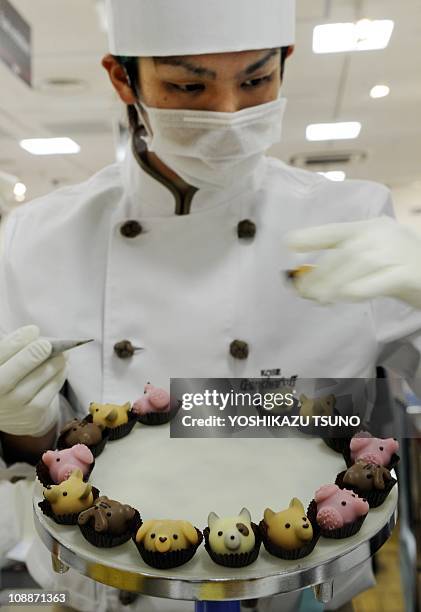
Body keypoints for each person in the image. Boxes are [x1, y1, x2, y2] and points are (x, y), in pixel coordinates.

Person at [1, 0, 421, 610]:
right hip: (97, 594)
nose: (228, 113)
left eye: (255, 79)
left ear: (285, 62)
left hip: (306, 593)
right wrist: (17, 426)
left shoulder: (350, 217)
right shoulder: (36, 238)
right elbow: (42, 452)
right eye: (187, 84)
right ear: (124, 77)